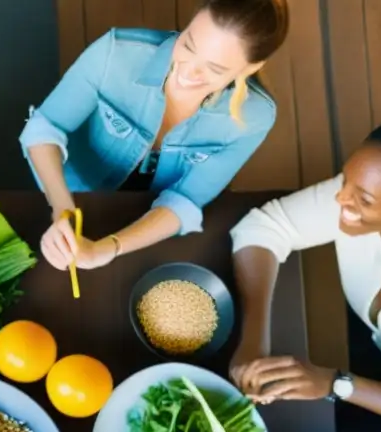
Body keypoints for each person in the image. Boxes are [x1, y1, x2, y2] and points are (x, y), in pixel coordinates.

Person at [24, 0, 288, 274]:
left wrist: (108, 249)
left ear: (251, 67)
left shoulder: (256, 116)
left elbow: (185, 199)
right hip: (73, 194)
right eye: (188, 45)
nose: (188, 71)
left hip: (153, 224)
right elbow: (45, 127)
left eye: (215, 69)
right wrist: (61, 208)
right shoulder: (115, 53)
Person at [229, 117, 381, 432]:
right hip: (378, 351)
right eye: (345, 180)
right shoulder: (358, 194)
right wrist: (254, 338)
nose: (341, 199)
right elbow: (264, 227)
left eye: (363, 200)